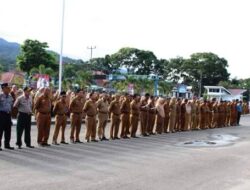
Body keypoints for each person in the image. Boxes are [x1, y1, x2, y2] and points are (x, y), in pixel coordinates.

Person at [0, 83, 14, 150]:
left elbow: (11, 106)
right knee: (0, 131)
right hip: (1, 114)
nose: (9, 89)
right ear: (3, 88)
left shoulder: (10, 96)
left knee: (8, 130)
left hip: (8, 115)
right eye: (7, 88)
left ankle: (7, 145)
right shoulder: (0, 96)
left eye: (9, 88)